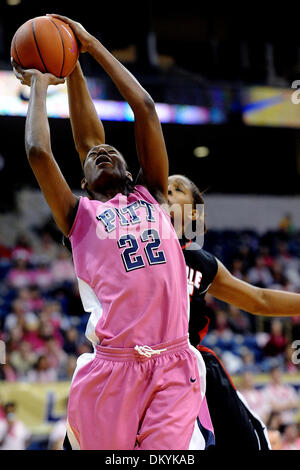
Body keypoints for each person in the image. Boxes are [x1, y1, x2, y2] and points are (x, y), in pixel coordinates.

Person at [11, 14, 206, 450]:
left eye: (110, 151)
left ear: (129, 167)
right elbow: (38, 150)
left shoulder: (151, 193)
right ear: (82, 182)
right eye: (92, 155)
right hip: (112, 370)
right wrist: (41, 81)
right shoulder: (79, 217)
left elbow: (146, 109)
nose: (101, 151)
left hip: (173, 363)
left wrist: (90, 46)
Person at [168, 173, 300, 449]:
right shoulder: (135, 243)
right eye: (163, 186)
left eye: (177, 188)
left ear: (193, 211)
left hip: (188, 364)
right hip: (136, 362)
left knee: (248, 441)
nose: (167, 190)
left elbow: (258, 299)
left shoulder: (201, 261)